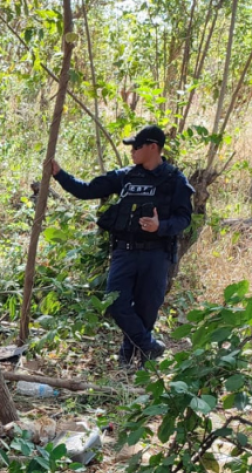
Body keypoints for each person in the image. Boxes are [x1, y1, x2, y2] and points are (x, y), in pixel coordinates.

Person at [50, 125, 194, 367]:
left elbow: (185, 219)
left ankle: (132, 361)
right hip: (124, 251)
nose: (132, 151)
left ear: (153, 148)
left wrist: (161, 227)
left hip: (156, 255)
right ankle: (149, 346)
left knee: (146, 310)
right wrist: (59, 174)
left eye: (136, 146)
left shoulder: (175, 180)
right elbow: (86, 190)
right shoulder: (125, 176)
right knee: (115, 303)